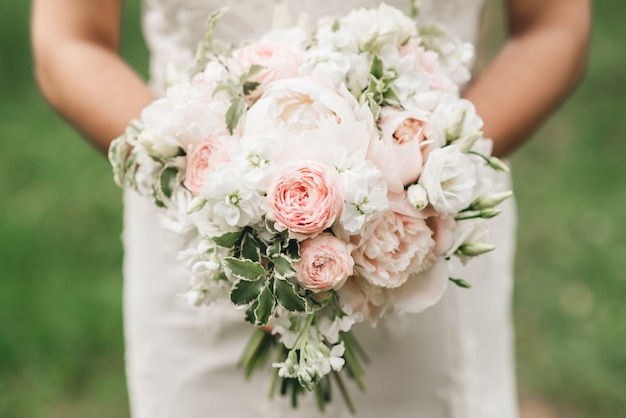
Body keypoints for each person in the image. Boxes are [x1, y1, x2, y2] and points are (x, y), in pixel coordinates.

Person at [31, 1, 591, 417]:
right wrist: (211, 178)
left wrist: (418, 179)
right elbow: (70, 40)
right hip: (200, 240)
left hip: (416, 245)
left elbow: (553, 26)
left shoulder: (419, 201)